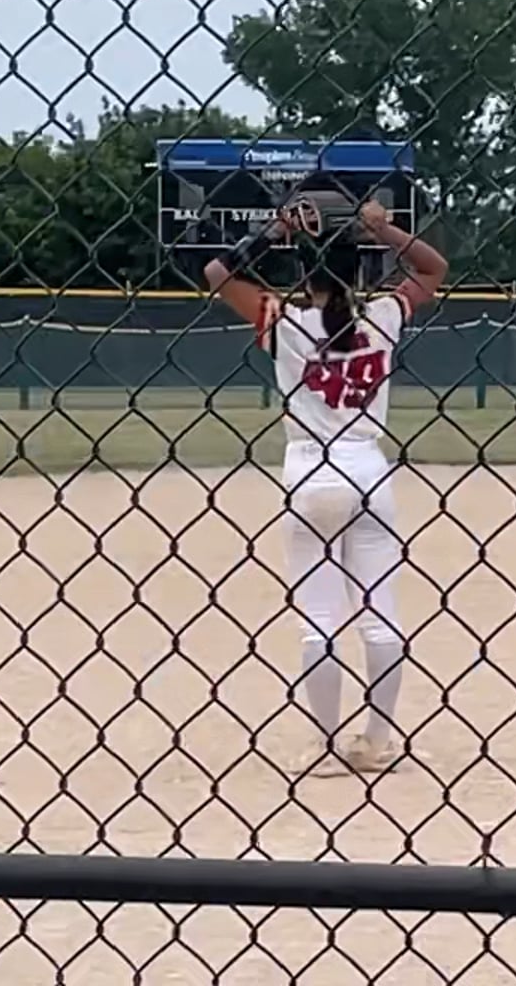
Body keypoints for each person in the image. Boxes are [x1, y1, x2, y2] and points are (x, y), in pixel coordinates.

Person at [203, 191, 448, 776]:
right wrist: (382, 229)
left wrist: (275, 231)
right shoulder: (382, 316)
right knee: (380, 616)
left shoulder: (284, 321)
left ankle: (329, 745)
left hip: (308, 473)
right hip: (368, 469)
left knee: (318, 620)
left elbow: (217, 274)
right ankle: (378, 739)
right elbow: (434, 268)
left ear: (303, 278)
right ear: (358, 274)